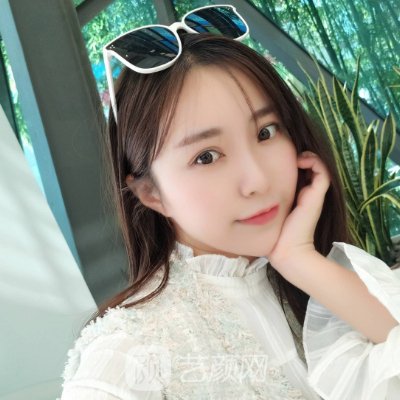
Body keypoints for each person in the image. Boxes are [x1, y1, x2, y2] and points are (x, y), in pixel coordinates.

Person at [59, 5, 400, 400]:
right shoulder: (128, 354)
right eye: (206, 156)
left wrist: (299, 259)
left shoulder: (307, 283)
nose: (257, 180)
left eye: (266, 132)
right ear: (151, 193)